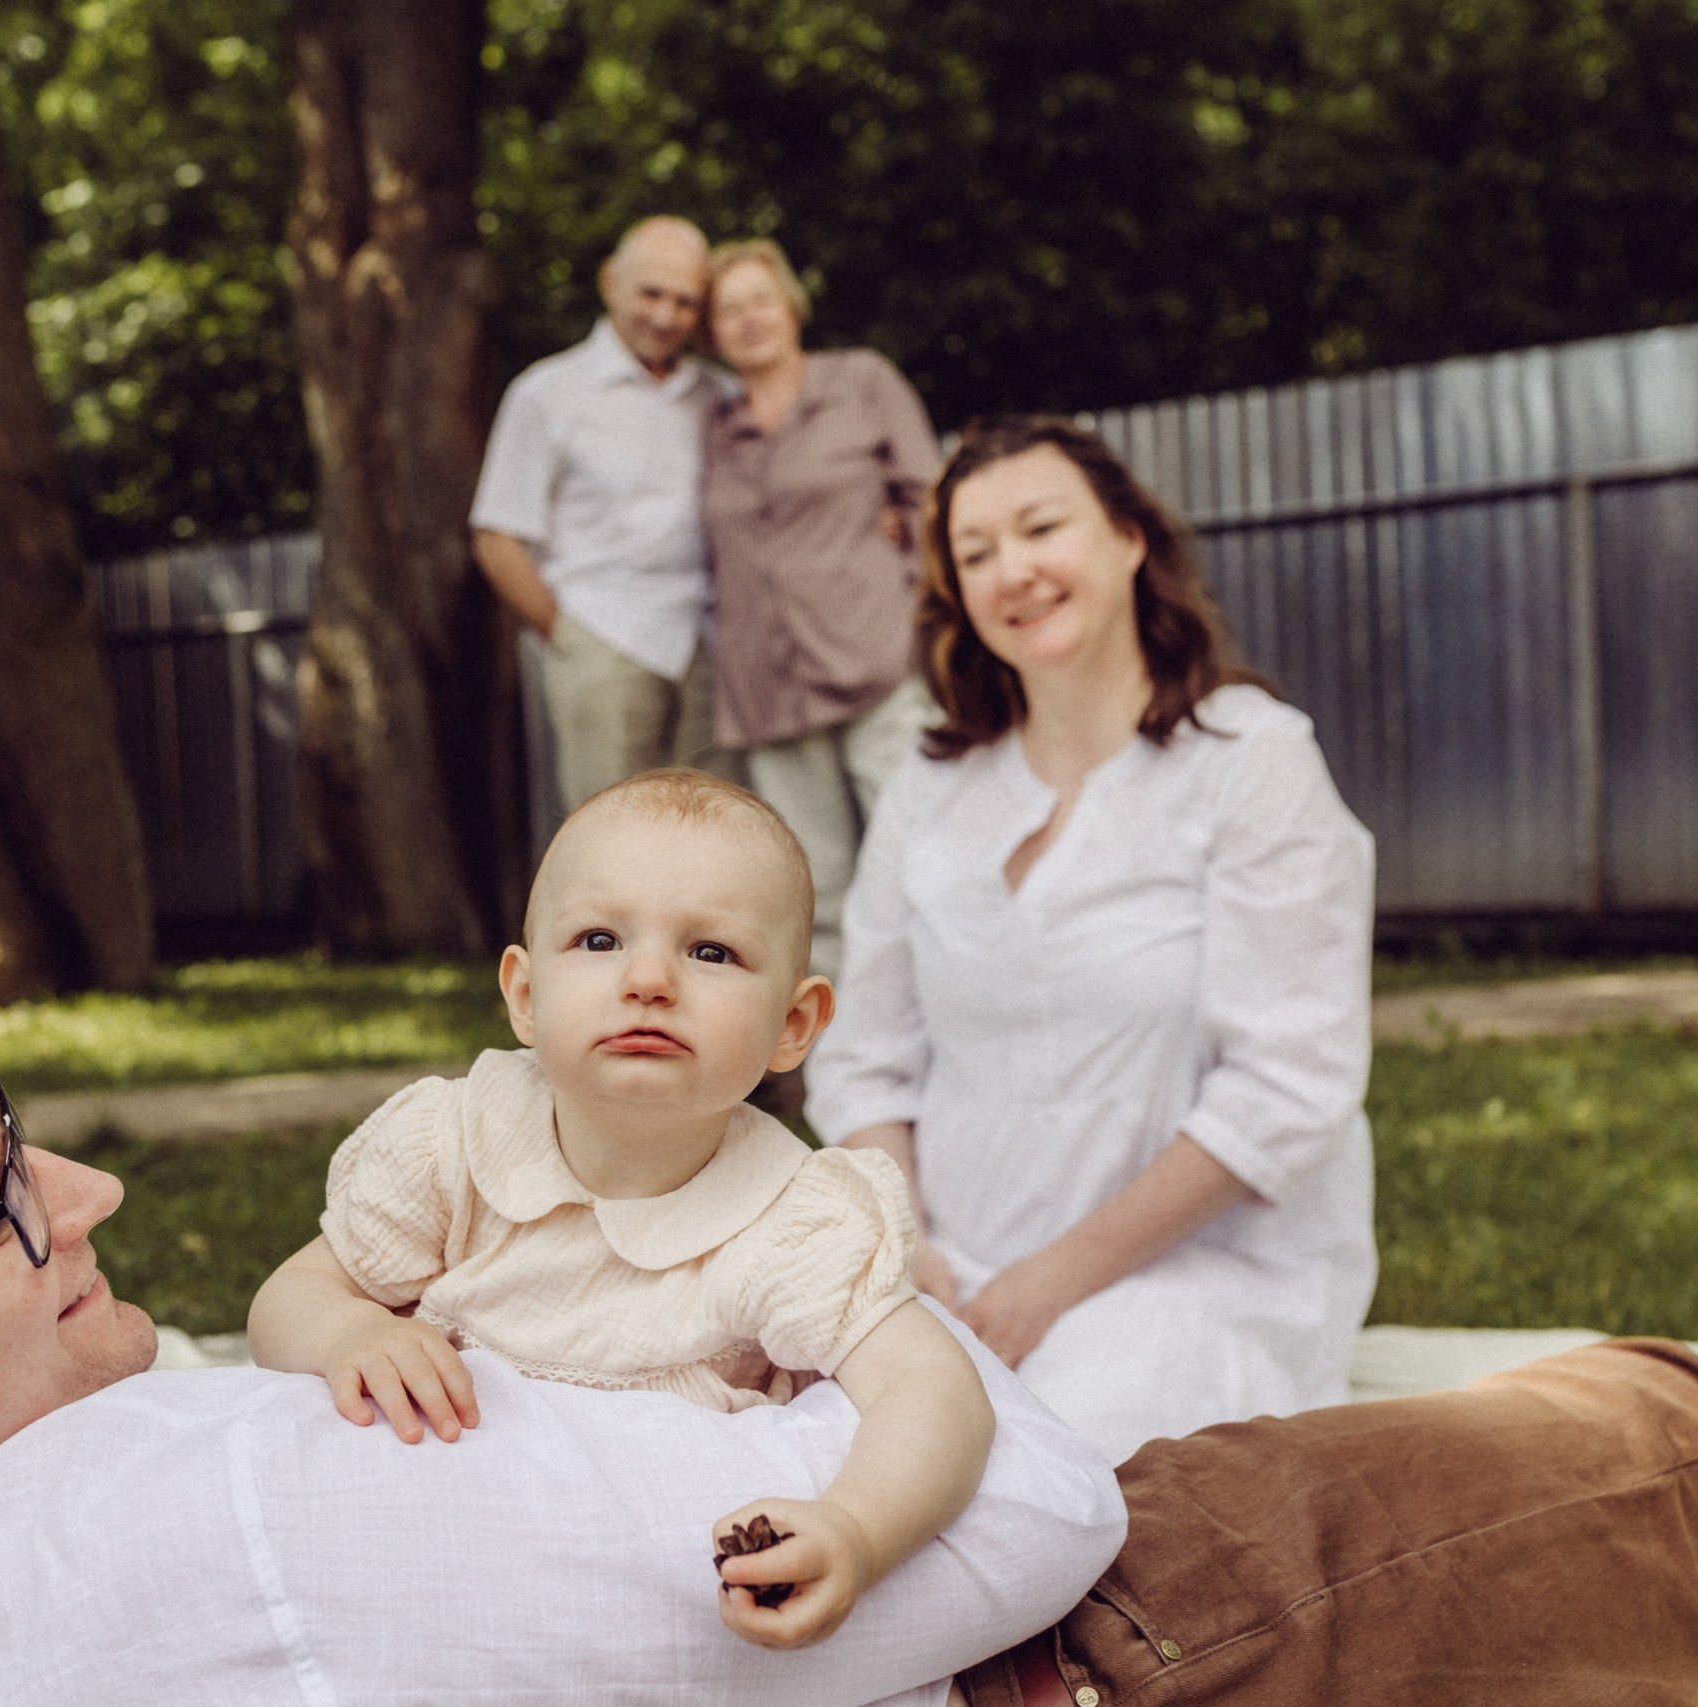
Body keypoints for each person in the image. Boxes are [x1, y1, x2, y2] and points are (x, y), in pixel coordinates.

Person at [0, 1009, 1698, 1706]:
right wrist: (874, 1332)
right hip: (1137, 1622)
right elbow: (1025, 1512)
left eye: (34, 1136)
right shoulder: (243, 1505)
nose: (87, 1198)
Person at [245, 769, 995, 1648]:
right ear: (525, 995)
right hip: (441, 1566)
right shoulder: (455, 1146)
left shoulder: (793, 1221)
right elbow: (285, 1297)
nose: (647, 978)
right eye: (599, 938)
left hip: (646, 1601)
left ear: (794, 1025)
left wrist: (859, 1528)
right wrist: (345, 1334)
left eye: (710, 952)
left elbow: (934, 1388)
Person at [808, 415, 1377, 1465]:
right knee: (811, 1459)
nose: (1011, 571)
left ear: (1128, 540)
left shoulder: (1251, 761)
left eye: (1039, 528)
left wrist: (1050, 1284)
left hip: (1185, 1282)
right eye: (974, 555)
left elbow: (1286, 1091)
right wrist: (908, 1249)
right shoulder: (930, 789)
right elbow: (865, 1062)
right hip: (945, 1270)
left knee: (1030, 1470)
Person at [701, 238, 943, 976]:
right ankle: (838, 1077)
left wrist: (914, 601)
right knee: (814, 890)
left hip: (874, 658)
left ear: (792, 307)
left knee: (925, 859)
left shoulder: (862, 381)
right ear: (712, 333)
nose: (748, 320)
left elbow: (930, 502)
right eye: (728, 310)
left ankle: (954, 1058)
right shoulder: (714, 425)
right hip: (768, 684)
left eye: (760, 301)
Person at [470, 216, 730, 813]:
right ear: (611, 281)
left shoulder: (717, 395)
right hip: (605, 637)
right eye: (651, 294)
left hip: (709, 645)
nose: (666, 317)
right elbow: (496, 537)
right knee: (611, 833)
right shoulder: (548, 392)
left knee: (710, 835)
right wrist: (569, 635)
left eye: (686, 302)